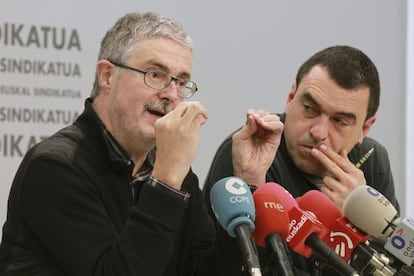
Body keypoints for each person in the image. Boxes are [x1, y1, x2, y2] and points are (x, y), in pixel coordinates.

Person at [0, 11, 249, 276]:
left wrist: (247, 178)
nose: (171, 95)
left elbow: (203, 270)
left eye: (181, 82)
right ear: (107, 76)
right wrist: (165, 182)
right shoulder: (55, 166)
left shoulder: (173, 172)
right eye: (155, 74)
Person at [203, 45, 400, 275]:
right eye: (309, 108)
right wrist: (251, 181)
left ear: (365, 128)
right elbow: (239, 268)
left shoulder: (372, 160)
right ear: (290, 98)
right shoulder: (252, 152)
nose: (318, 131)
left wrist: (360, 222)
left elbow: (397, 264)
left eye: (340, 121)